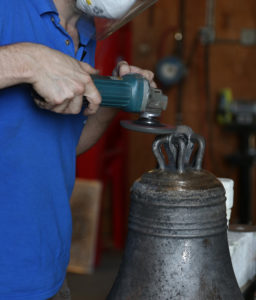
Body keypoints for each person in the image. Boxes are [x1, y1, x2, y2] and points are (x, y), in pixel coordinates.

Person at [0, 0, 156, 299]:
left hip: (47, 272)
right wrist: (29, 61)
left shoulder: (84, 31)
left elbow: (58, 148)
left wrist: (113, 100)